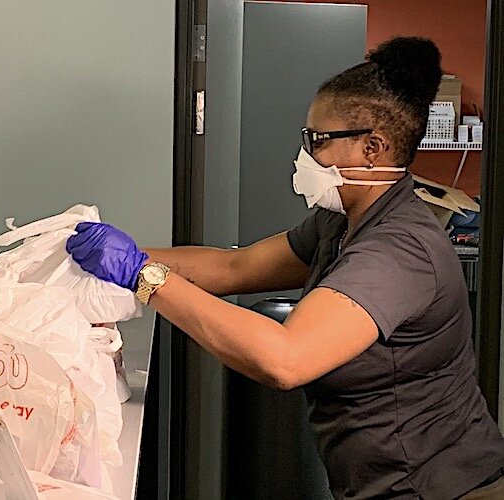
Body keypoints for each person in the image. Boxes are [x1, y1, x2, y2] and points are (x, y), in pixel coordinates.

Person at [65, 37, 504, 499]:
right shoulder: (340, 221)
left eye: (318, 142)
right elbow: (232, 267)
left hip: (438, 487)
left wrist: (142, 276)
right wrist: (106, 254)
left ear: (372, 147)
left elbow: (285, 359)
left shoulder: (399, 250)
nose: (306, 155)